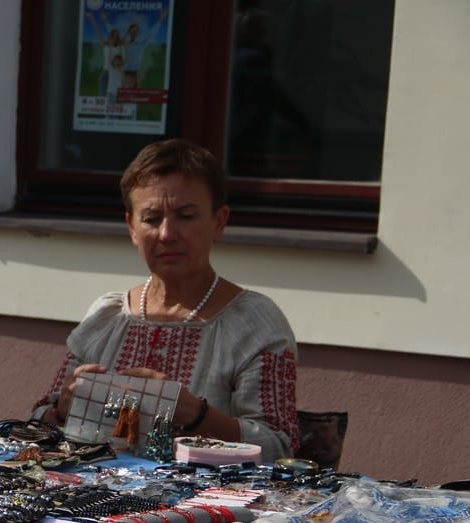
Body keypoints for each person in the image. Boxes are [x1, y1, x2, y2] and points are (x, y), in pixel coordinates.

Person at [32, 138, 299, 463]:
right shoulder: (107, 315)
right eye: (151, 219)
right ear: (131, 228)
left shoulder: (253, 323)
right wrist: (62, 408)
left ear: (219, 221)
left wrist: (193, 412)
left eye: (185, 216)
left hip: (207, 508)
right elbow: (37, 422)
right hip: (94, 501)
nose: (166, 234)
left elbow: (278, 448)